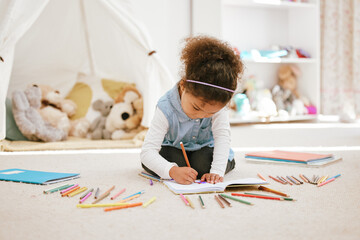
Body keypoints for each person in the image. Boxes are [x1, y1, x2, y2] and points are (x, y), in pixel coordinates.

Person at [141, 36, 244, 185]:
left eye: (211, 113)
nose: (202, 115)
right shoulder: (166, 107)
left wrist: (216, 172)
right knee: (165, 161)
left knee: (202, 166)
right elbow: (148, 151)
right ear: (183, 86)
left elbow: (222, 137)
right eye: (196, 107)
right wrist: (172, 171)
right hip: (173, 148)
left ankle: (202, 166)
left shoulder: (217, 106)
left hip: (205, 148)